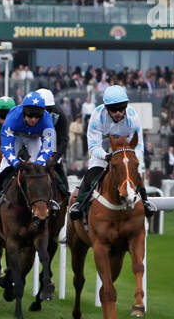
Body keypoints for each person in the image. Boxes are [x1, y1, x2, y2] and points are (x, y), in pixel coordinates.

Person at [66, 85, 156, 222]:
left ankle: (145, 201)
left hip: (125, 151)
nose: (118, 112)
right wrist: (107, 156)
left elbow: (139, 146)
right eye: (114, 109)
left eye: (121, 108)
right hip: (103, 151)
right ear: (107, 108)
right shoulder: (97, 116)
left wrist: (130, 160)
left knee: (133, 172)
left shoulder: (133, 117)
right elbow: (93, 146)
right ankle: (79, 203)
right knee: (92, 173)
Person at [0, 91, 57, 218]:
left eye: (37, 116)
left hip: (34, 138)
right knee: (4, 166)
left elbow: (47, 147)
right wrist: (16, 162)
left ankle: (51, 199)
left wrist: (39, 162)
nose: (33, 119)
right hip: (16, 137)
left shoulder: (47, 120)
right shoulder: (12, 118)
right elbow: (6, 146)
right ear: (23, 112)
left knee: (40, 168)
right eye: (30, 116)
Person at [37, 87, 71, 201]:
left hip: (51, 147)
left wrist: (54, 158)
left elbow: (63, 139)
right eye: (44, 109)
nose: (47, 113)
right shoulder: (25, 113)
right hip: (31, 145)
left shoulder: (59, 114)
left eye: (49, 109)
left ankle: (65, 199)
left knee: (63, 184)